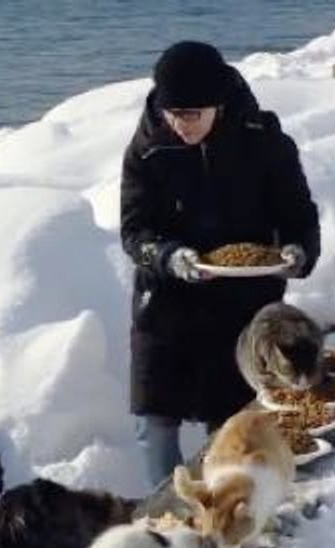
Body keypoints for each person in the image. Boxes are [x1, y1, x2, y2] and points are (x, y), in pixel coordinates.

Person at [120, 40, 321, 487]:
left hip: (242, 308)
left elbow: (299, 216)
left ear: (219, 104)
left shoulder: (264, 141)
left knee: (230, 423)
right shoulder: (149, 148)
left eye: (192, 115)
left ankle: (227, 511)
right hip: (166, 305)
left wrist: (296, 252)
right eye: (173, 113)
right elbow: (135, 232)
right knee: (154, 423)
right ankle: (165, 516)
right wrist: (170, 257)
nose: (181, 125)